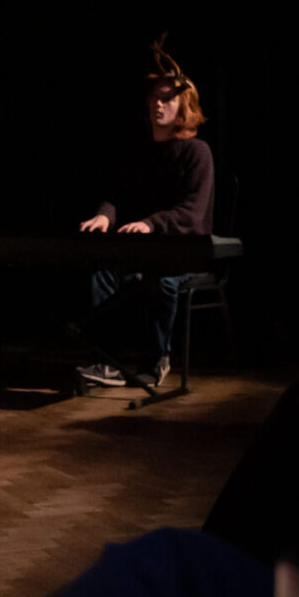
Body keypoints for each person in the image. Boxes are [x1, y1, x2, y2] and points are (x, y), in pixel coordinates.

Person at [76, 37, 214, 388]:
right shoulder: (138, 153)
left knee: (160, 282)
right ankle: (106, 360)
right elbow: (118, 194)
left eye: (168, 98)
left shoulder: (197, 152)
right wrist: (106, 214)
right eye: (155, 96)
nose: (159, 103)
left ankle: (158, 358)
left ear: (183, 104)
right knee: (103, 271)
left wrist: (151, 224)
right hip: (144, 252)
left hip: (183, 257)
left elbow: (192, 212)